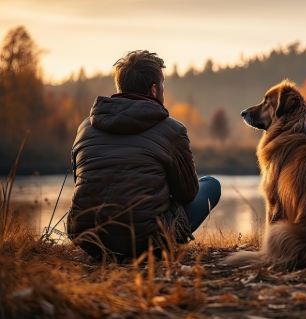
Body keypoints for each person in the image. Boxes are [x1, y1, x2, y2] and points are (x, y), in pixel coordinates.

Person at [67, 50, 221, 260]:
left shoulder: (85, 127)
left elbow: (82, 181)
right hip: (148, 242)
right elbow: (188, 194)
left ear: (120, 87)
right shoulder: (172, 130)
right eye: (163, 85)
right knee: (211, 184)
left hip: (89, 239)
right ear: (154, 89)